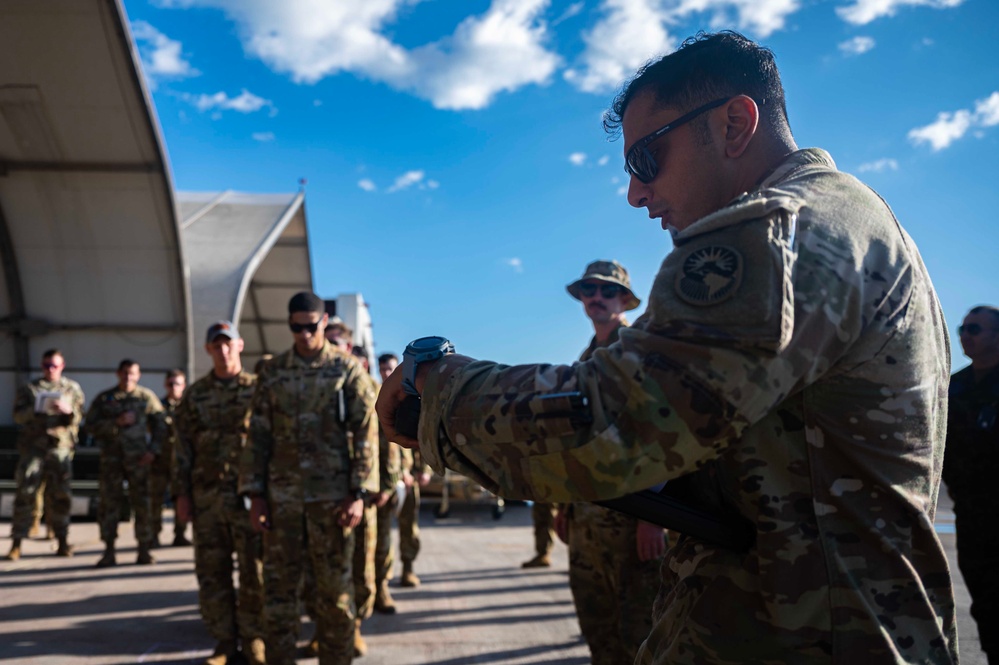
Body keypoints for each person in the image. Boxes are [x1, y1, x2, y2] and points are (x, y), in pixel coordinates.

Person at [377, 31, 957, 663]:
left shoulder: (774, 234)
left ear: (735, 123)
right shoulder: (843, 222)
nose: (636, 193)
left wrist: (435, 388)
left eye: (647, 159)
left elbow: (617, 422)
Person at [240, 291, 378, 665]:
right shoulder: (273, 372)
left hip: (332, 503)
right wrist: (255, 494)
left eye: (311, 326)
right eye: (296, 327)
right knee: (280, 597)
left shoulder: (346, 370)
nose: (304, 334)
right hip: (281, 502)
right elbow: (258, 436)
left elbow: (366, 433)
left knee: (334, 597)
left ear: (324, 323)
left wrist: (359, 493)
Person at [554, 260, 665, 664]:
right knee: (596, 625)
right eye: (588, 289)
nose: (596, 297)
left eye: (606, 290)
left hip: (631, 522)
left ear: (623, 299)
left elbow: (661, 431)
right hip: (587, 520)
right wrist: (565, 506)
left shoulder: (638, 348)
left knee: (638, 632)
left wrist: (653, 516)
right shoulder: (588, 357)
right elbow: (579, 438)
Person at [173, 322, 265, 665]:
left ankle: (254, 638)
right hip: (208, 498)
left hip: (249, 497)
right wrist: (181, 494)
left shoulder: (259, 391)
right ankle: (225, 641)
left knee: (255, 572)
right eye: (217, 345)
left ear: (239, 345)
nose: (223, 350)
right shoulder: (195, 395)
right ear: (208, 350)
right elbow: (181, 448)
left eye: (228, 344)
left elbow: (270, 443)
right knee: (212, 572)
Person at [943, 305, 999, 663]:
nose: (965, 334)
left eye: (975, 328)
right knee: (983, 597)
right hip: (971, 511)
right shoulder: (956, 386)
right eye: (963, 328)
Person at [5, 349, 85, 561]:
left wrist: (68, 411)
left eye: (55, 365)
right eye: (47, 365)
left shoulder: (71, 388)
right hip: (33, 450)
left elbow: (78, 417)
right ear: (42, 366)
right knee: (25, 494)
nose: (51, 369)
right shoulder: (30, 389)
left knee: (60, 496)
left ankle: (62, 541)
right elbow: (17, 416)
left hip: (60, 450)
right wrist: (35, 410)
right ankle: (16, 543)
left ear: (62, 366)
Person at [86, 359, 166, 567]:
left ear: (138, 375)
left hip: (138, 460)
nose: (128, 377)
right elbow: (90, 426)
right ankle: (109, 550)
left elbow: (161, 426)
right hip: (112, 460)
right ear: (118, 374)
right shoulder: (105, 399)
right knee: (109, 504)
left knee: (142, 504)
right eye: (124, 373)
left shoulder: (145, 397)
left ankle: (144, 549)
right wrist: (115, 423)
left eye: (132, 374)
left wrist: (153, 451)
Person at [373, 353, 404, 612]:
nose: (385, 374)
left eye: (389, 369)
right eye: (382, 369)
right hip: (358, 484)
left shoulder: (400, 397)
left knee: (383, 540)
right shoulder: (370, 392)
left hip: (383, 483)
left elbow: (396, 446)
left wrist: (387, 484)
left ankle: (381, 588)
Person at [151, 369, 191, 548]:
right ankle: (153, 535)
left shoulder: (189, 407)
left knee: (181, 496)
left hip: (182, 461)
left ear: (184, 386)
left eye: (178, 384)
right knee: (156, 499)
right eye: (171, 384)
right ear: (165, 385)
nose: (174, 387)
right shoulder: (156, 407)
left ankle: (180, 534)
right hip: (160, 461)